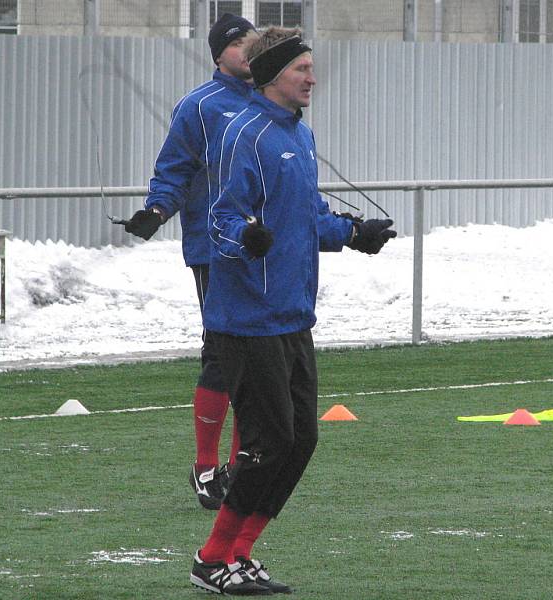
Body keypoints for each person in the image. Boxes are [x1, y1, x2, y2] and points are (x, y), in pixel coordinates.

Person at [189, 27, 397, 595]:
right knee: (268, 444)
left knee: (301, 441)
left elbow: (305, 218)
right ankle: (212, 559)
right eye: (302, 68)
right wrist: (245, 240)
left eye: (312, 67)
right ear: (275, 73)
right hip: (246, 320)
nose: (312, 77)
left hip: (292, 316)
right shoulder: (243, 134)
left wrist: (354, 233)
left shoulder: (298, 138)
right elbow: (221, 220)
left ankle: (239, 554)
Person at [124, 14, 258, 510]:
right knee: (224, 353)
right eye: (238, 43)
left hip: (268, 249)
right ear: (219, 53)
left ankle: (244, 462)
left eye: (253, 41)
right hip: (216, 247)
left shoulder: (273, 101)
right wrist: (157, 210)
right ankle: (205, 468)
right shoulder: (199, 106)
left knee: (263, 357)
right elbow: (174, 170)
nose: (248, 49)